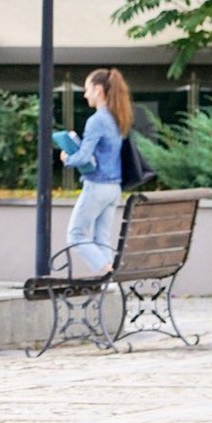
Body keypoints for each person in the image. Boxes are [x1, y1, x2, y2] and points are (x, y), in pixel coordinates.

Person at [59, 68, 133, 278]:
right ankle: (108, 286)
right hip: (113, 189)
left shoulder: (97, 120)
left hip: (97, 186)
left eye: (87, 89)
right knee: (102, 240)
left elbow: (83, 157)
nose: (85, 94)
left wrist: (67, 158)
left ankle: (108, 272)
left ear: (98, 90)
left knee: (76, 235)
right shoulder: (116, 118)